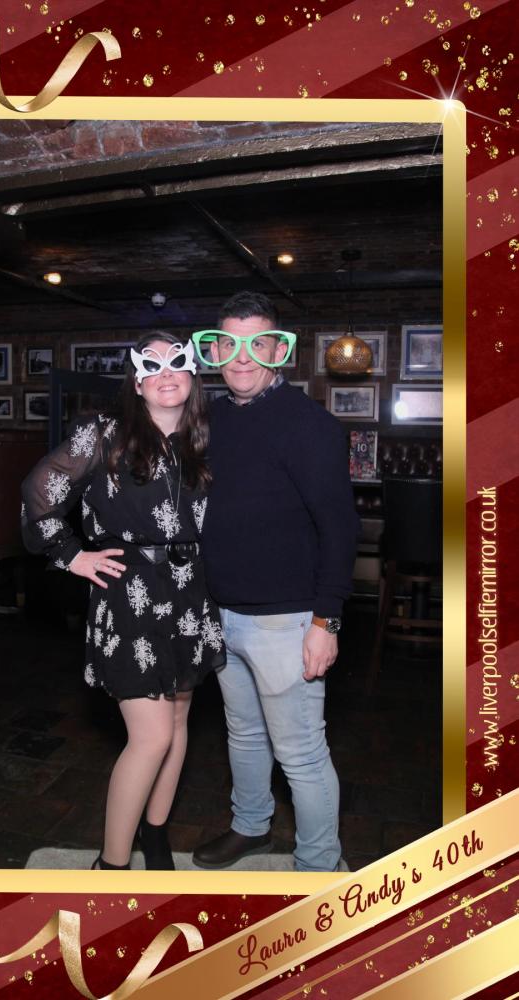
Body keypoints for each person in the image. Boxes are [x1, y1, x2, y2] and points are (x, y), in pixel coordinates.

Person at [21, 333, 224, 871]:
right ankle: (111, 865)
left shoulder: (205, 436)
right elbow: (40, 489)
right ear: (136, 382)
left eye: (176, 362)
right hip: (132, 594)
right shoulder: (104, 433)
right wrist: (71, 555)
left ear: (192, 375)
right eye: (151, 366)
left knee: (177, 722)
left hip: (190, 592)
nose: (165, 372)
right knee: (151, 737)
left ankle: (154, 835)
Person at [191, 292, 359, 873]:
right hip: (223, 614)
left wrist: (326, 621)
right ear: (214, 350)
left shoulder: (309, 424)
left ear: (278, 349)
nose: (241, 357)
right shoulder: (211, 418)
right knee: (243, 734)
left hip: (288, 622)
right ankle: (251, 826)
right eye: (228, 344)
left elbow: (340, 527)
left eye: (256, 343)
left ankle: (319, 867)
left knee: (301, 753)